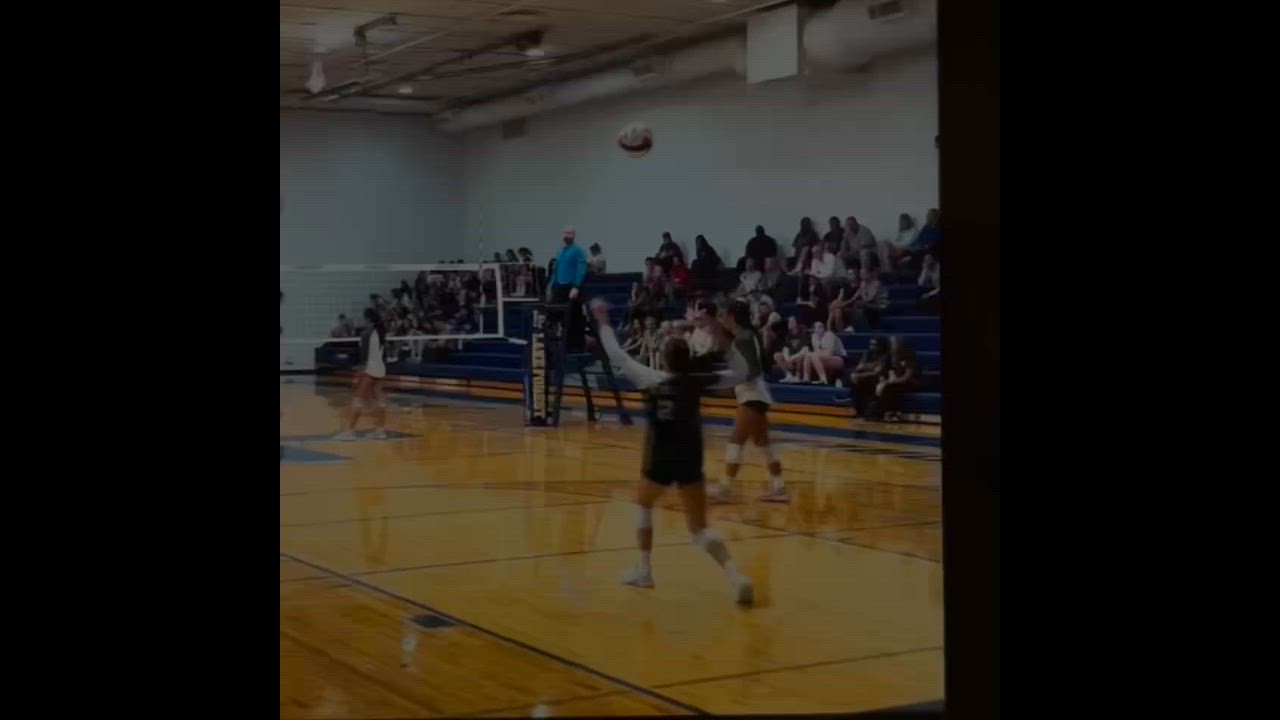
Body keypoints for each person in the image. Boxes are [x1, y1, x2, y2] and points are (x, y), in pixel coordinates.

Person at [588, 300, 755, 604]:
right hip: (690, 459)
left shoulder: (650, 379)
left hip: (659, 459)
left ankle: (645, 569)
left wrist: (603, 321)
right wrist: (727, 345)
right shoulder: (696, 382)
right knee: (700, 529)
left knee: (644, 505)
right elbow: (742, 373)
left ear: (663, 360)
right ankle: (735, 575)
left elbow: (616, 354)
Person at [712, 300, 788, 504]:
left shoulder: (743, 338)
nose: (722, 319)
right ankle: (779, 488)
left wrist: (727, 384)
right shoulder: (747, 335)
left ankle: (724, 490)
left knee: (736, 440)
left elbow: (752, 370)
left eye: (724, 315)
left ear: (732, 317)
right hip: (756, 394)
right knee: (763, 443)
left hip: (752, 395)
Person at [334, 308, 389, 441]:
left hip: (369, 369)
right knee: (379, 400)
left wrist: (359, 373)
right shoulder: (381, 332)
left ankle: (349, 432)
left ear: (368, 319)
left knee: (358, 398)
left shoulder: (366, 334)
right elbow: (384, 354)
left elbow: (364, 356)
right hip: (380, 369)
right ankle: (380, 430)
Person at [877, 336, 922, 422]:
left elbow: (905, 378)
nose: (892, 346)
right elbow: (883, 373)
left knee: (895, 387)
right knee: (888, 387)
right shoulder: (889, 357)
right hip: (895, 382)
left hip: (911, 382)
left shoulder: (909, 357)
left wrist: (886, 383)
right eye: (891, 344)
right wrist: (882, 382)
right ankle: (888, 412)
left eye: (894, 344)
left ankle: (895, 412)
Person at [850, 336, 889, 419]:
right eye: (870, 344)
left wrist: (864, 369)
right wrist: (869, 367)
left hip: (879, 380)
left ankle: (870, 412)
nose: (871, 347)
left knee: (862, 381)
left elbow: (877, 372)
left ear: (881, 346)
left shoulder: (885, 356)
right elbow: (859, 367)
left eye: (874, 345)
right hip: (866, 378)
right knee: (855, 381)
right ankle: (857, 410)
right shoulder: (867, 353)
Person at [801, 321, 847, 386]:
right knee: (808, 355)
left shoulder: (830, 335)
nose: (818, 329)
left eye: (820, 327)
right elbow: (817, 352)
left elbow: (829, 353)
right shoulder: (814, 336)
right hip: (824, 358)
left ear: (824, 328)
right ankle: (806, 379)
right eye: (816, 327)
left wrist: (818, 353)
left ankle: (823, 380)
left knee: (813, 355)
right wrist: (819, 353)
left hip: (840, 358)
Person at [774, 316, 810, 383]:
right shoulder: (789, 334)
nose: (789, 323)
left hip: (799, 357)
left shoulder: (803, 333)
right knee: (777, 355)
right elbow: (785, 348)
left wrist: (792, 358)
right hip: (790, 358)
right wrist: (787, 358)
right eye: (788, 322)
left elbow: (805, 350)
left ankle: (798, 376)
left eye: (790, 322)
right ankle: (788, 375)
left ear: (795, 323)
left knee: (800, 357)